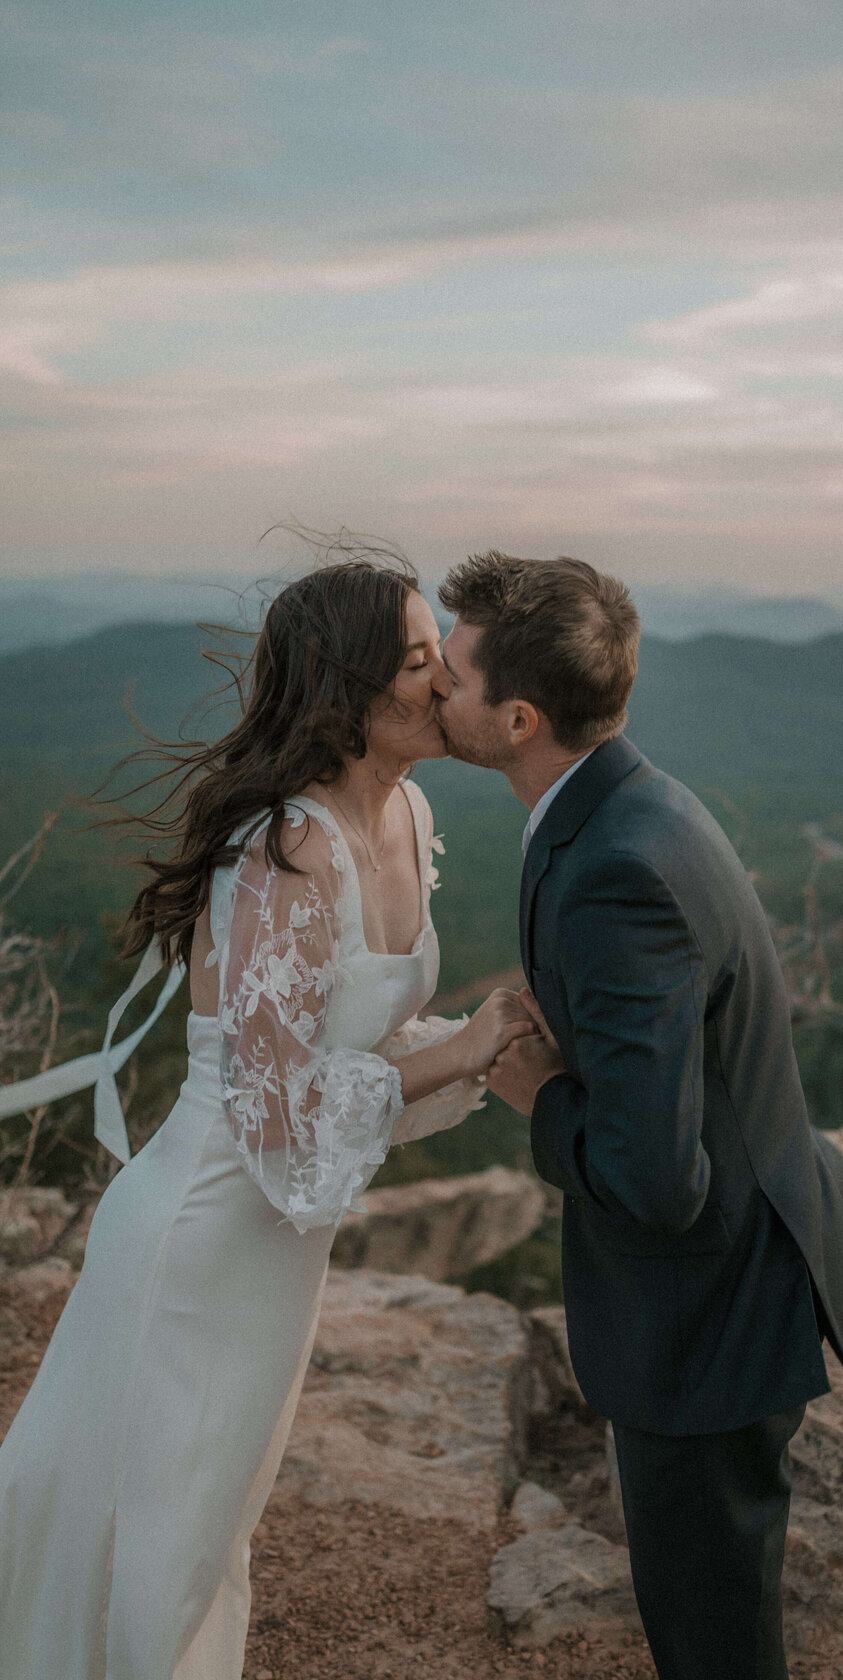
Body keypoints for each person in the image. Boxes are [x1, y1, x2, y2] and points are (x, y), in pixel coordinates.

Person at [0, 549, 535, 1680]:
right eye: (417, 661)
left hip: (279, 1249)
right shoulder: (287, 848)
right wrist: (469, 1050)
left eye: (443, 657)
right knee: (149, 1536)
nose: (444, 685)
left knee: (207, 1534)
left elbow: (368, 1054)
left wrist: (494, 1044)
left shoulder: (407, 811)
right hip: (198, 1241)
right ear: (348, 689)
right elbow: (279, 1106)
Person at [435, 551, 843, 1680]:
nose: (433, 683)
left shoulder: (618, 869)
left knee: (714, 1644)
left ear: (519, 717)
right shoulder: (627, 802)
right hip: (727, 1284)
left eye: (454, 674)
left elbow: (659, 1181)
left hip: (711, 1319)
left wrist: (541, 1098)